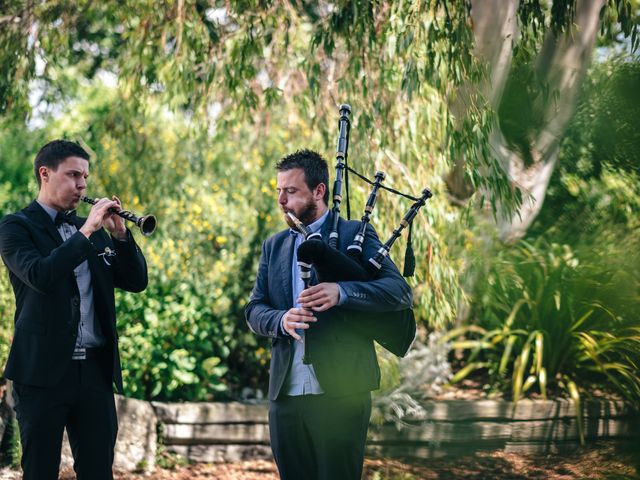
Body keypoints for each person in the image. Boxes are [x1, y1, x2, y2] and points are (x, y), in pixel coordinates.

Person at [245, 149, 413, 480]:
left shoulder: (353, 234)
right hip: (285, 396)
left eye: (291, 191)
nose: (281, 200)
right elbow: (254, 309)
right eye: (279, 191)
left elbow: (399, 292)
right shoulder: (274, 246)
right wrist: (281, 320)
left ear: (319, 191)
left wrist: (343, 292)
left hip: (342, 391)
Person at [0, 140, 148, 480]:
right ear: (45, 174)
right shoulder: (16, 227)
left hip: (94, 371)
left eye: (85, 177)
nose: (82, 185)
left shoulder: (95, 232)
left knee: (98, 471)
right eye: (72, 175)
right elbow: (42, 275)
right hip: (40, 373)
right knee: (40, 471)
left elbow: (135, 281)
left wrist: (122, 236)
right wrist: (87, 230)